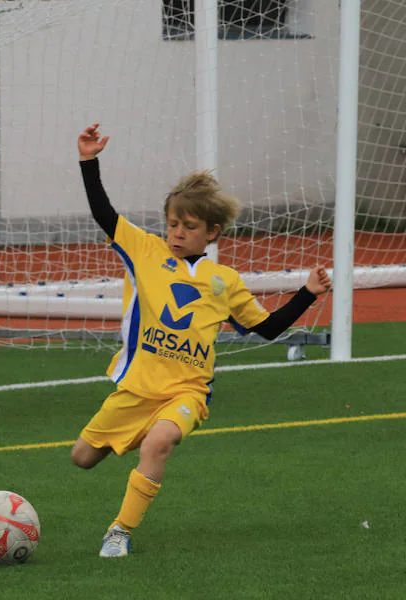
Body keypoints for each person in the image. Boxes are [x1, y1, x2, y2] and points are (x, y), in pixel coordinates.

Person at [71, 124, 332, 558]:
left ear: (211, 232)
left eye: (188, 226)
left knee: (160, 443)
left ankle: (119, 531)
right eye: (172, 223)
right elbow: (103, 212)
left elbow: (265, 328)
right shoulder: (146, 251)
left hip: (188, 390)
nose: (176, 232)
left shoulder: (223, 281)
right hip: (137, 386)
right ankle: (141, 431)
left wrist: (308, 293)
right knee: (82, 457)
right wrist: (88, 160)